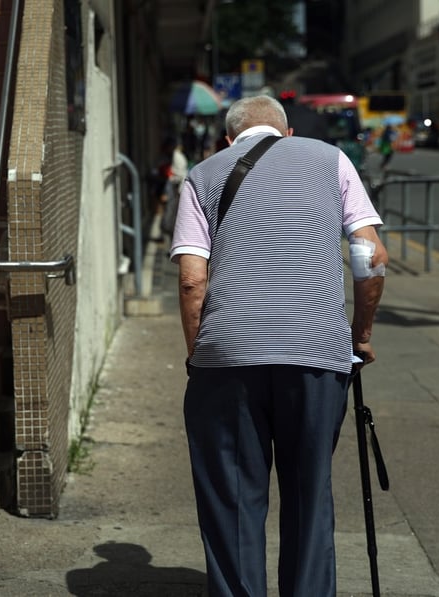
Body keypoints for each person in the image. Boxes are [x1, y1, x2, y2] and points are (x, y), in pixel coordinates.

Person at [169, 95, 388, 596]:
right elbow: (370, 254)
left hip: (227, 358)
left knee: (233, 498)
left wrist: (200, 354)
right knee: (310, 492)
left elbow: (191, 280)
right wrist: (360, 335)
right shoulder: (332, 160)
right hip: (316, 353)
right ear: (287, 133)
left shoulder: (203, 175)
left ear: (230, 139)